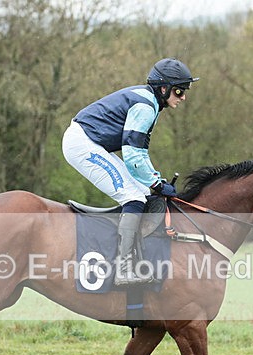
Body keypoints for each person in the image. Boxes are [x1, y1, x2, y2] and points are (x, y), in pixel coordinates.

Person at [62, 58, 199, 286]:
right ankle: (123, 269)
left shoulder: (150, 103)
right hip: (82, 144)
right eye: (179, 90)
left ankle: (133, 258)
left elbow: (140, 155)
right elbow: (133, 157)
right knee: (133, 196)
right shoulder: (145, 106)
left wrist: (154, 180)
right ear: (163, 88)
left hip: (89, 142)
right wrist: (157, 185)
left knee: (142, 191)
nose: (183, 97)